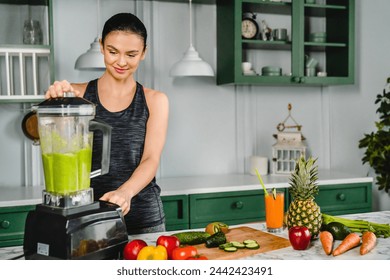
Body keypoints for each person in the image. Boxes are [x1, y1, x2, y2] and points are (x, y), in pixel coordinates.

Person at [45, 13, 169, 234]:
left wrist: (125, 193)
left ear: (144, 53)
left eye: (131, 54)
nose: (121, 62)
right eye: (113, 52)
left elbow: (151, 159)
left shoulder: (155, 100)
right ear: (101, 47)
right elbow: (55, 144)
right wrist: (57, 104)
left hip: (142, 219)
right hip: (87, 219)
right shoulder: (77, 94)